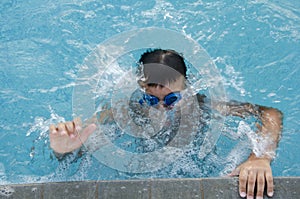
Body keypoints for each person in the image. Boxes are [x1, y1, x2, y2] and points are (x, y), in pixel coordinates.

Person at [49, 49, 283, 199]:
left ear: (188, 89)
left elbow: (270, 114)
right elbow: (81, 141)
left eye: (172, 99)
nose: (161, 107)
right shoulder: (124, 110)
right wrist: (63, 149)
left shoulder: (202, 106)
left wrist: (260, 157)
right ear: (139, 89)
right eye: (151, 99)